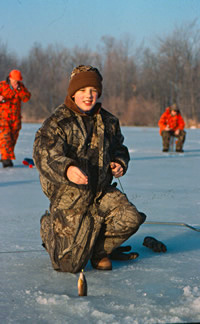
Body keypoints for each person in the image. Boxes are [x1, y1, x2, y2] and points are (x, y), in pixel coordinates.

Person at [33, 65, 146, 273]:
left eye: (93, 91)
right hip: (70, 195)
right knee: (68, 266)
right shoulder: (58, 122)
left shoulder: (109, 121)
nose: (88, 96)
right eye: (83, 90)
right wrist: (67, 169)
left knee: (131, 217)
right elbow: (43, 154)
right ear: (73, 93)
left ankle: (98, 251)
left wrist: (119, 163)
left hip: (101, 192)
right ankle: (50, 227)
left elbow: (119, 148)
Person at [0, 69, 31, 167]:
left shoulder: (20, 87)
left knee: (13, 138)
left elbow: (26, 98)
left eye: (17, 81)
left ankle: (7, 156)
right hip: (3, 118)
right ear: (10, 78)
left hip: (16, 119)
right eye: (14, 80)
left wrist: (19, 89)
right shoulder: (2, 86)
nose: (15, 82)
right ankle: (6, 159)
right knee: (5, 138)